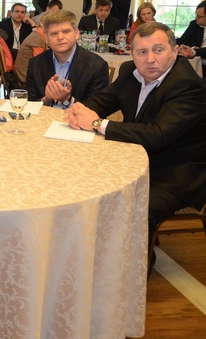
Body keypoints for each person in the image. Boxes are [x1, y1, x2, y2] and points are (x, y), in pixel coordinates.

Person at [67, 22, 206, 261]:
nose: (150, 59)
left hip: (175, 172)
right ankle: (93, 255)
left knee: (136, 208)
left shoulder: (187, 85)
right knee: (82, 182)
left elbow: (157, 135)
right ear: (131, 53)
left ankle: (135, 268)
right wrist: (80, 110)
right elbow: (104, 100)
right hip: (134, 160)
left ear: (175, 52)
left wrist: (97, 123)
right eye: (142, 52)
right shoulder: (130, 72)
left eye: (158, 50)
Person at [26, 10, 110, 107]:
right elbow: (30, 104)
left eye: (66, 32)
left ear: (76, 34)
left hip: (77, 116)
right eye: (54, 33)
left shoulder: (96, 66)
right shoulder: (35, 64)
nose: (60, 37)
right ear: (46, 38)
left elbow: (97, 108)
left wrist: (67, 100)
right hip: (45, 116)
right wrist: (46, 99)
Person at [14, 12, 49, 85]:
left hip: (25, 73)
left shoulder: (38, 34)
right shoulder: (37, 39)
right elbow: (39, 64)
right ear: (42, 24)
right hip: (25, 77)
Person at [176, 0, 206, 79]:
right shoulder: (194, 24)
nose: (196, 18)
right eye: (196, 15)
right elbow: (182, 41)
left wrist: (195, 51)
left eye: (199, 16)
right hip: (196, 64)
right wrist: (193, 48)